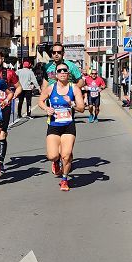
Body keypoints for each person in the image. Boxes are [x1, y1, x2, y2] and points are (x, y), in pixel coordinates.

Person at [39, 61, 84, 191]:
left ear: (68, 73)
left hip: (68, 126)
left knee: (66, 154)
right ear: (56, 74)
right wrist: (47, 108)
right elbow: (41, 101)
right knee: (52, 155)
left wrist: (72, 103)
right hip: (53, 125)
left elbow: (81, 108)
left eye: (65, 70)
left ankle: (64, 180)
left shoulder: (74, 88)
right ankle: (55, 162)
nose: (63, 73)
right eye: (60, 71)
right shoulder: (51, 88)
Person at [0, 50, 22, 170]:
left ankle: (1, 162)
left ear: (2, 59)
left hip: (4, 108)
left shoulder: (9, 73)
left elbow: (19, 87)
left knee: (2, 134)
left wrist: (11, 97)